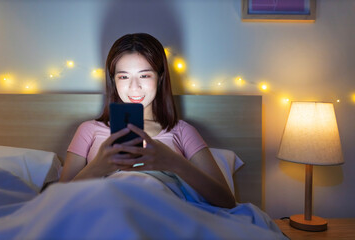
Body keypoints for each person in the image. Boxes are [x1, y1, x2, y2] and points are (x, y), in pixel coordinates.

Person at [59, 33, 235, 208]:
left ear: (160, 78)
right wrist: (99, 166)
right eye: (123, 76)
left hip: (163, 210)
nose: (134, 87)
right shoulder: (89, 130)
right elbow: (57, 199)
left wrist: (175, 163)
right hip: (107, 208)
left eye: (144, 76)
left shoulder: (181, 130)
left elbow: (226, 201)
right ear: (113, 80)